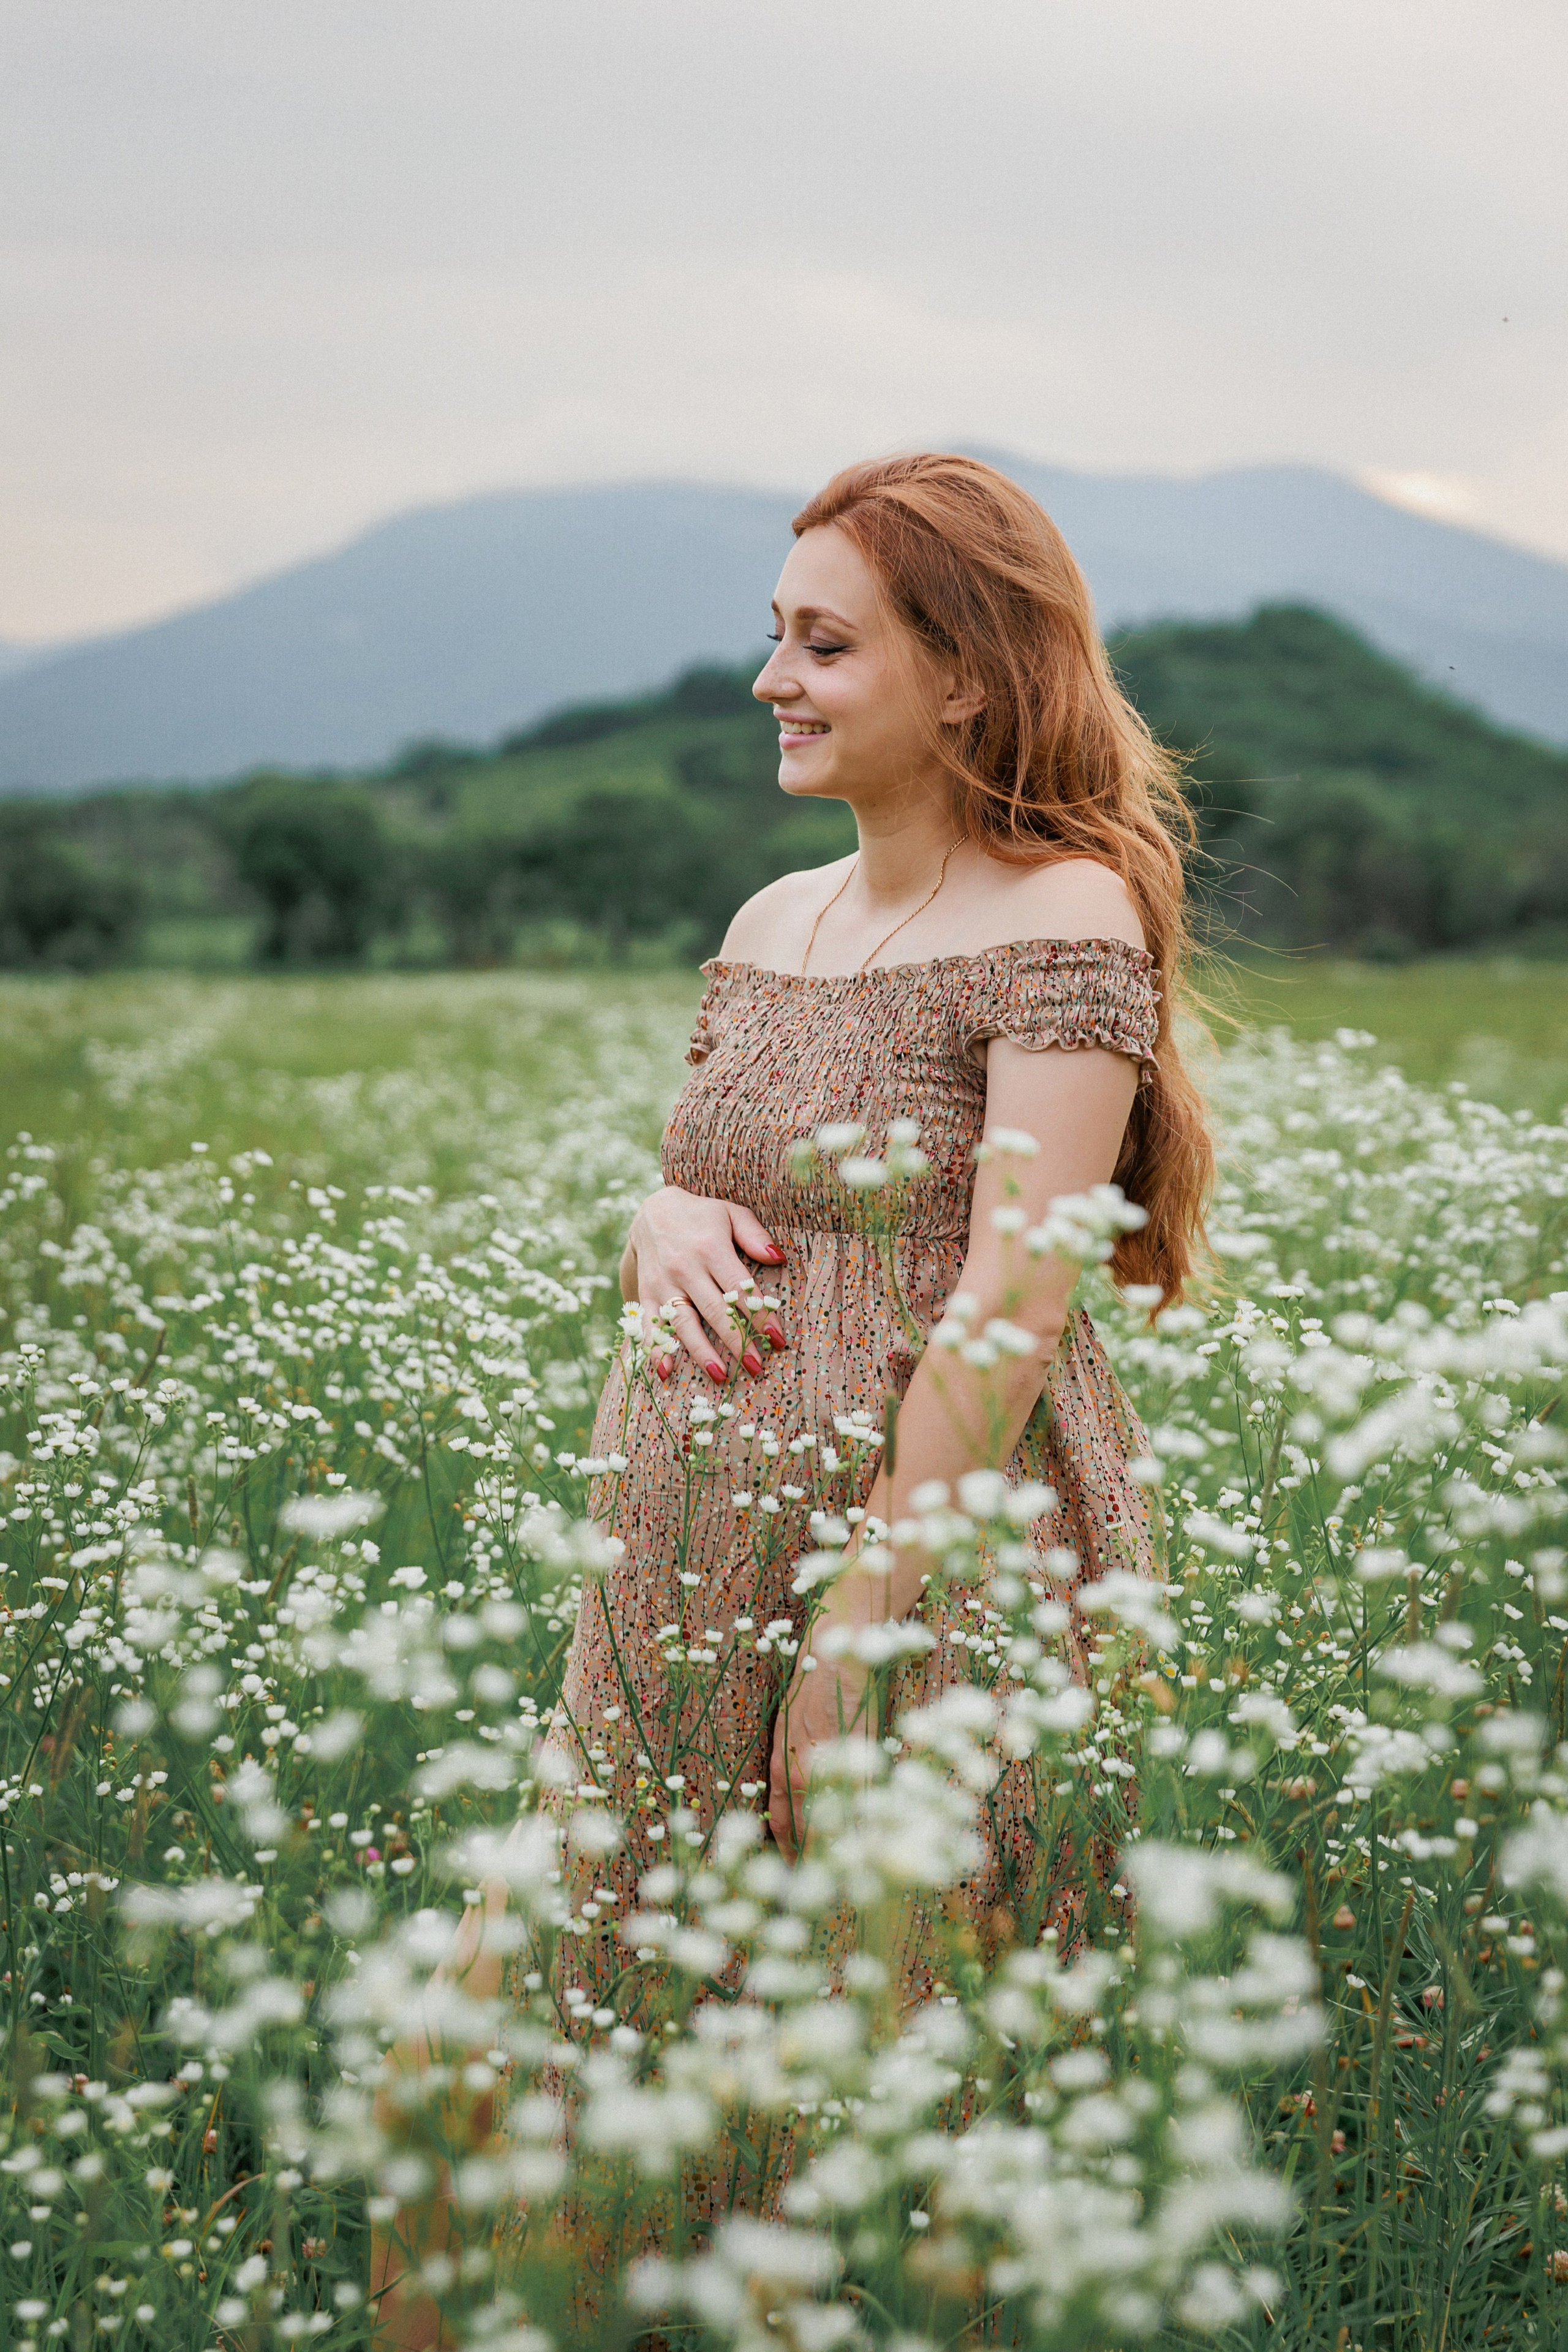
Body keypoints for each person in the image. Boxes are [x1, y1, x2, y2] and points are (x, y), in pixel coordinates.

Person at [372, 451, 1213, 2342]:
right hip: (674, 1578)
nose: (777, 678)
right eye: (777, 636)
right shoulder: (771, 919)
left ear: (971, 672)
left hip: (922, 1579)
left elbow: (1012, 1295)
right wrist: (653, 1213)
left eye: (827, 643)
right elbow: (719, 1173)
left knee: (908, 2123)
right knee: (495, 2082)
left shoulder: (1062, 910)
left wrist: (861, 1638)